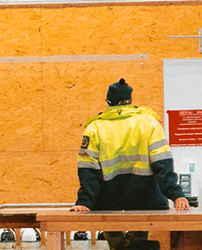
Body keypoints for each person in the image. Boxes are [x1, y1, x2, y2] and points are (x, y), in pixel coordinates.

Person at [75, 79, 189, 212]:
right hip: (147, 200)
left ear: (108, 101)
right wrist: (176, 195)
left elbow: (88, 171)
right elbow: (162, 164)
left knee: (112, 230)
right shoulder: (149, 123)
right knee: (141, 230)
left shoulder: (95, 128)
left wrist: (84, 202)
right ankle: (138, 234)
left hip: (108, 202)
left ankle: (113, 234)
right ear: (129, 100)